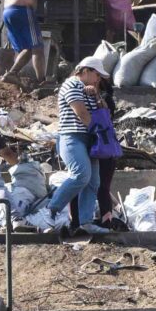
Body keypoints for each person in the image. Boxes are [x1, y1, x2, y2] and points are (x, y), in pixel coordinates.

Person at [41, 61, 109, 235]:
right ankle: (50, 210)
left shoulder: (89, 90)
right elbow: (81, 112)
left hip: (89, 139)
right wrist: (98, 132)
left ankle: (85, 222)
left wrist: (97, 96)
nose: (98, 79)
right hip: (73, 137)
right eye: (97, 75)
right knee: (80, 174)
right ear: (85, 71)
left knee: (94, 182)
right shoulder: (72, 83)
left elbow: (105, 112)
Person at [88, 67, 124, 225]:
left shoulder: (105, 98)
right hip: (97, 147)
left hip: (104, 146)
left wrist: (95, 94)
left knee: (102, 186)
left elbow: (104, 115)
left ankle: (107, 219)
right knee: (98, 186)